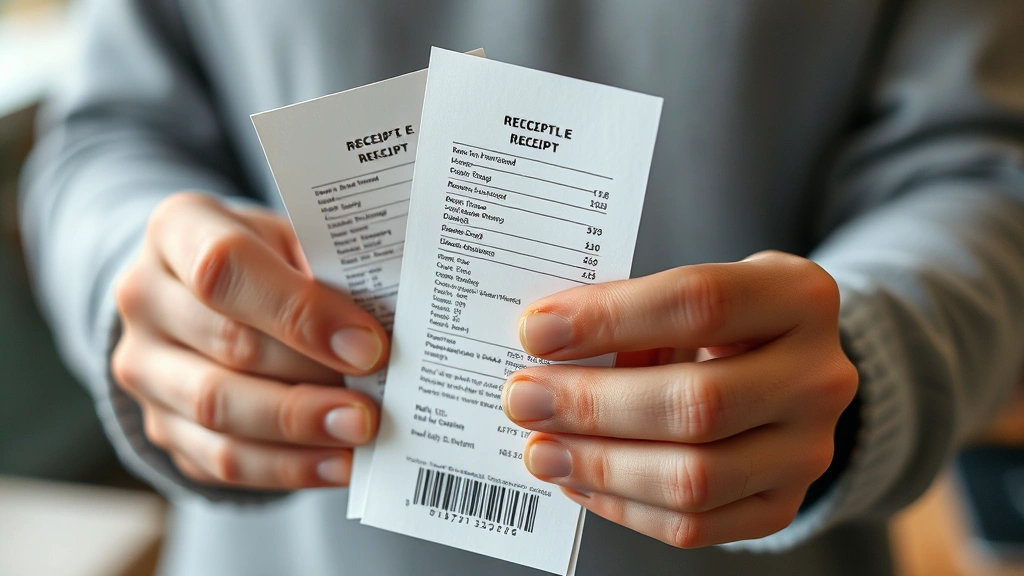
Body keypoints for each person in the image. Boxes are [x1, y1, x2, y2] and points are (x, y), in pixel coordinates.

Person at [19, 1, 1024, 574]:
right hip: (294, 540)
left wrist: (868, 355)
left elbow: (981, 168)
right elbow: (105, 135)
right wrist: (143, 282)